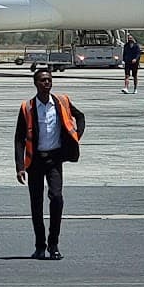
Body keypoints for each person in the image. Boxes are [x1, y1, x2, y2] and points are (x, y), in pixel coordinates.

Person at [14, 68, 86, 261]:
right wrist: (20, 166)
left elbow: (80, 117)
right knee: (36, 205)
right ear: (35, 83)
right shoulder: (27, 107)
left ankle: (53, 244)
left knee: (57, 198)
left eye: (49, 80)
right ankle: (40, 246)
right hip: (35, 160)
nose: (47, 83)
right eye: (43, 80)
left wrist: (75, 137)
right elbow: (19, 138)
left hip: (54, 159)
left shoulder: (61, 102)